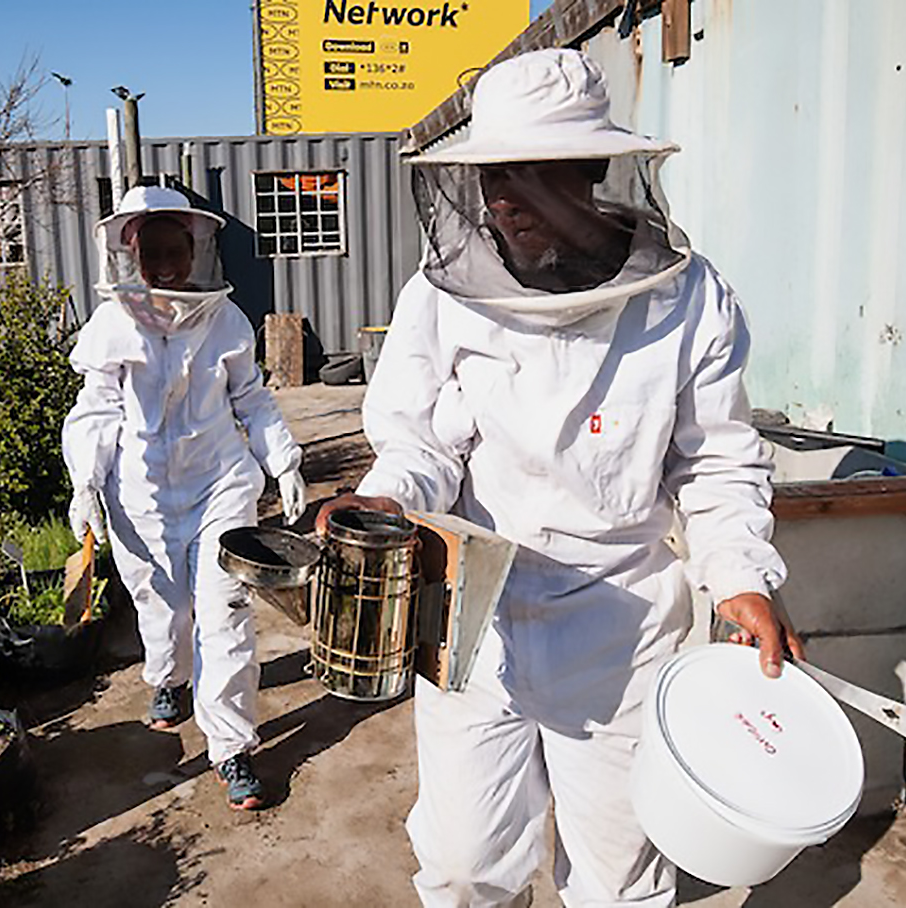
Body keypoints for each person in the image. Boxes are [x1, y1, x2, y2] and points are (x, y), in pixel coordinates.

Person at [317, 49, 804, 905]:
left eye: (533, 174)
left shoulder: (687, 300)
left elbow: (717, 461)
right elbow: (424, 446)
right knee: (467, 868)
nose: (505, 197)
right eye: (495, 174)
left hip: (621, 626)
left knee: (620, 883)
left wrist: (738, 578)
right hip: (475, 619)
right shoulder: (442, 295)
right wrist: (388, 501)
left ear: (587, 175)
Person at [64, 184, 307, 810]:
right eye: (153, 256)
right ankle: (168, 677)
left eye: (176, 252)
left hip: (219, 483)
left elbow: (249, 397)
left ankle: (232, 747)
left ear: (195, 250)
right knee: (162, 603)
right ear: (132, 257)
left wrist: (282, 460)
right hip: (140, 493)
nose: (166, 268)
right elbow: (97, 409)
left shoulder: (223, 320)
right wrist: (85, 479)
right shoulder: (113, 323)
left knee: (224, 612)